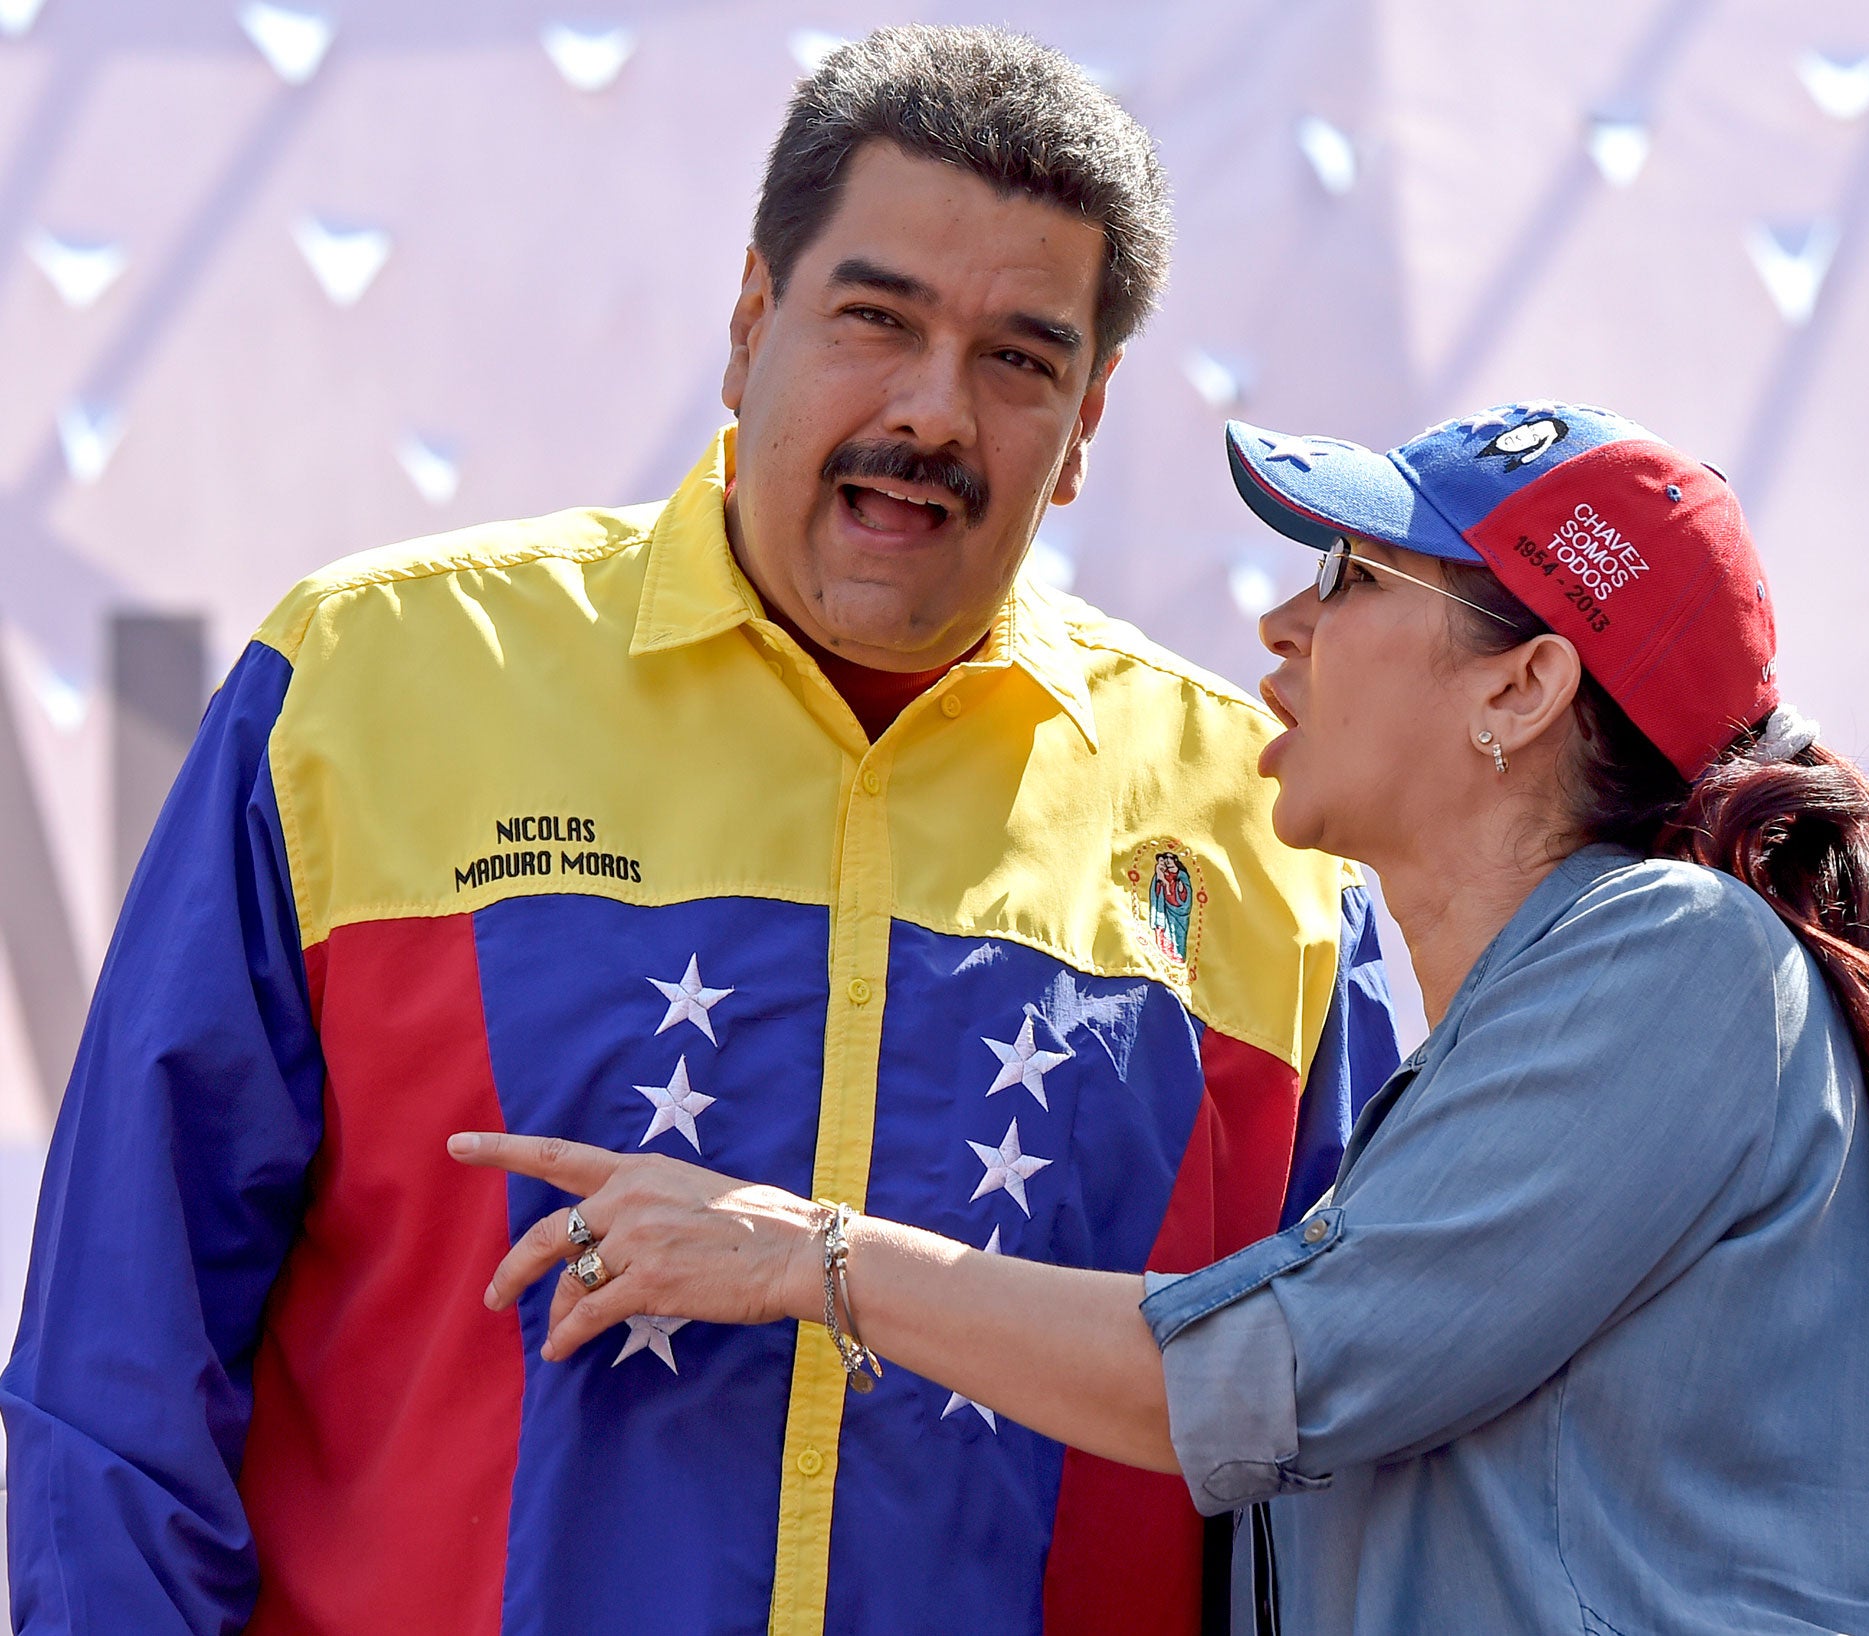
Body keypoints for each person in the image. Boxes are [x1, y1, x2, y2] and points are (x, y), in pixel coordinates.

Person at [1, 27, 1400, 1636]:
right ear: (750, 323)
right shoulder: (363, 681)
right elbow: (121, 1356)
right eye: (876, 320)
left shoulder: (1268, 828)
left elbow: (1337, 1436)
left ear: (1087, 426)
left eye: (1022, 359)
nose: (933, 412)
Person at [454, 400, 1869, 1635]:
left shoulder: (1681, 953)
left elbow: (1284, 1369)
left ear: (1522, 692)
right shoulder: (1551, 1020)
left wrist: (808, 1255)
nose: (1283, 627)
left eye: (1352, 578)